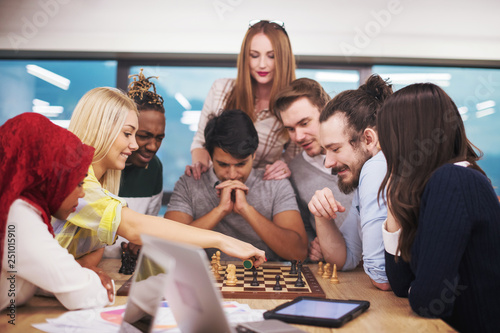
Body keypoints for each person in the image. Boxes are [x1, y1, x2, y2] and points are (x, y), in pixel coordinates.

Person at [52, 87, 266, 272]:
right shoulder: (75, 180)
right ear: (101, 130)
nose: (135, 145)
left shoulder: (100, 183)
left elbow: (91, 257)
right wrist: (222, 240)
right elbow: (133, 228)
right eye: (128, 134)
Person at [378, 83, 500, 332]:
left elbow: (428, 301)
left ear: (404, 137)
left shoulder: (453, 181)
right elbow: (401, 286)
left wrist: (420, 288)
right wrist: (393, 204)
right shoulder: (449, 181)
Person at [0, 113, 113, 311]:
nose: (82, 192)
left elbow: (36, 275)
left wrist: (75, 273)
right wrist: (98, 281)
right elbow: (83, 295)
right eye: (77, 182)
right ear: (48, 176)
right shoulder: (17, 215)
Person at [165, 110, 308, 262]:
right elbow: (168, 246)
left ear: (253, 155)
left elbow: (298, 253)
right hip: (206, 281)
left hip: (263, 281)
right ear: (210, 155)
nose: (232, 174)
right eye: (223, 164)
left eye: (241, 164)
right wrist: (220, 211)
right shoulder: (190, 184)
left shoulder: (275, 185)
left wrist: (246, 209)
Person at [307, 75, 392, 291]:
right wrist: (321, 216)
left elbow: (381, 278)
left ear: (369, 139)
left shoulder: (377, 168)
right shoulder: (366, 179)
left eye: (335, 149)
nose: (328, 163)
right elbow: (345, 258)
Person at [187, 20, 299, 181]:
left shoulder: (292, 107)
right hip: (215, 187)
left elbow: (294, 162)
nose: (262, 64)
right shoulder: (220, 89)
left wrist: (284, 167)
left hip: (261, 194)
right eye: (254, 55)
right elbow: (200, 143)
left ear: (284, 59)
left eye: (271, 56)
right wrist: (200, 168)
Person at [273, 78, 354, 262]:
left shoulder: (361, 153)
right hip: (338, 272)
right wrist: (314, 245)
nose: (298, 137)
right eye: (290, 129)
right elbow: (305, 228)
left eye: (304, 123)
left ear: (326, 110)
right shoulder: (294, 171)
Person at [104, 69, 166, 258]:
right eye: (144, 136)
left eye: (159, 138)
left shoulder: (154, 167)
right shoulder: (95, 168)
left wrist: (142, 243)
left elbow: (147, 227)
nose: (153, 146)